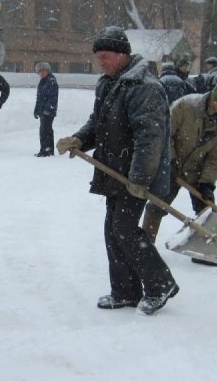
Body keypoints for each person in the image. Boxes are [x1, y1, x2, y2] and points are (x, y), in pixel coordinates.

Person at [55, 26, 179, 316]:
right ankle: (125, 291)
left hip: (133, 176)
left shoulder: (144, 87)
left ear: (123, 54)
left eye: (106, 56)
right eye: (98, 57)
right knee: (113, 231)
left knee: (123, 230)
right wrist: (79, 139)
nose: (101, 62)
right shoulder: (109, 84)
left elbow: (149, 139)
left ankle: (161, 284)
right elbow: (97, 123)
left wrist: (139, 179)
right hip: (114, 172)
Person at [141, 79, 217, 266]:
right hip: (171, 166)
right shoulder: (186, 106)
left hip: (196, 171)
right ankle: (145, 247)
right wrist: (168, 161)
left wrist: (207, 182)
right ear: (216, 99)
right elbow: (163, 133)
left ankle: (203, 252)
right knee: (157, 205)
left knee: (207, 210)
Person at [33, 61, 59, 157]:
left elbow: (53, 98)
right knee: (46, 130)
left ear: (48, 71)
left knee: (45, 131)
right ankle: (48, 150)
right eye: (40, 71)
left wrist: (47, 110)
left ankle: (45, 150)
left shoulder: (51, 81)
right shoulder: (43, 81)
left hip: (48, 111)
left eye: (43, 71)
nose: (41, 73)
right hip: (43, 111)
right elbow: (39, 98)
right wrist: (36, 109)